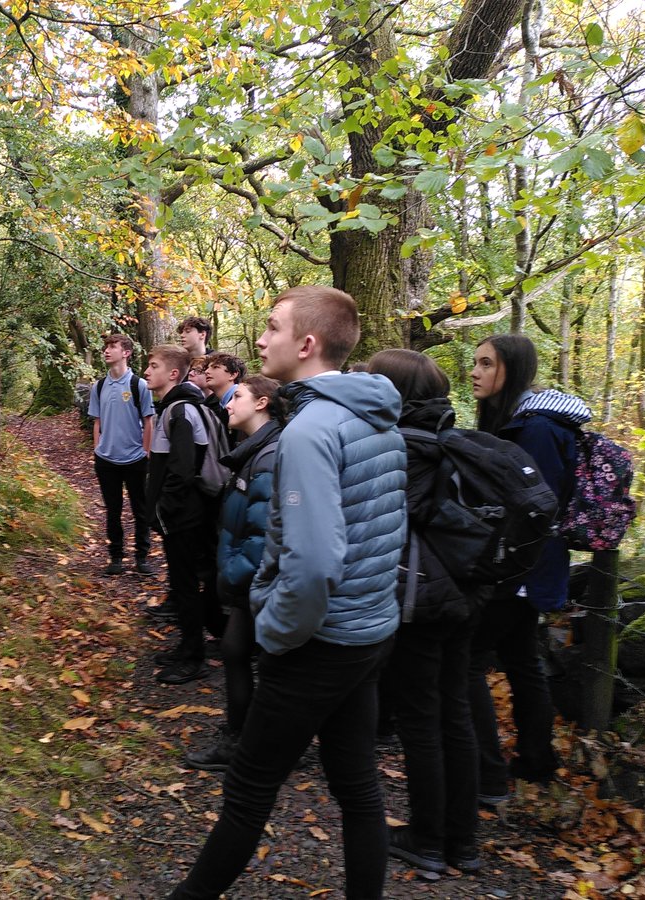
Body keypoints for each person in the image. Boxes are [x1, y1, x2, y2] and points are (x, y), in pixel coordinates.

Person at [168, 286, 406, 900]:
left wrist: (273, 632)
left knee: (247, 791)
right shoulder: (377, 417)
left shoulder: (309, 433)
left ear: (306, 344)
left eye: (272, 327)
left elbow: (314, 564)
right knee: (357, 786)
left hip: (319, 641)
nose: (261, 338)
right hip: (368, 632)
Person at [368, 349, 481, 876]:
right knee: (454, 713)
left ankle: (429, 838)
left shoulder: (400, 448)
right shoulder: (451, 442)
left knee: (421, 717)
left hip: (421, 599)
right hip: (464, 591)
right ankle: (463, 841)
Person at [468, 333, 587, 800]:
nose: (475, 372)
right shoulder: (521, 422)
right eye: (475, 362)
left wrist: (503, 564)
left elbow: (536, 508)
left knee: (468, 660)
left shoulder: (536, 429)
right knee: (521, 658)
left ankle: (486, 773)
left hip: (520, 567)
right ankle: (536, 760)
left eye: (486, 364)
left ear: (511, 370)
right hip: (523, 564)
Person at [183, 375, 282, 772]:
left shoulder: (270, 456)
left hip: (255, 582)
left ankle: (251, 744)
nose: (227, 403)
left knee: (245, 654)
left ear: (261, 403)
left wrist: (233, 575)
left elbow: (263, 531)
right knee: (236, 651)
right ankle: (244, 736)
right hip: (248, 579)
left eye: (237, 396)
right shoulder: (253, 449)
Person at [143, 344, 214, 685]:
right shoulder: (172, 408)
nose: (146, 371)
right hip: (177, 516)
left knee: (186, 586)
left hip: (185, 517)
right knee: (180, 582)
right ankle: (187, 647)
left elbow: (183, 470)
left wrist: (163, 509)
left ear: (173, 373)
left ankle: (193, 657)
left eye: (153, 366)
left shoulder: (181, 411)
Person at [87, 334, 155, 576]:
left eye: (112, 347)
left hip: (136, 459)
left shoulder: (140, 385)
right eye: (105, 346)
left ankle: (142, 557)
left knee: (141, 509)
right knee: (112, 509)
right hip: (106, 460)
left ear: (126, 352)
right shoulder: (99, 386)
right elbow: (97, 421)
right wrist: (97, 449)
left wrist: (146, 452)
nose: (106, 351)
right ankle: (116, 556)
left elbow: (149, 421)